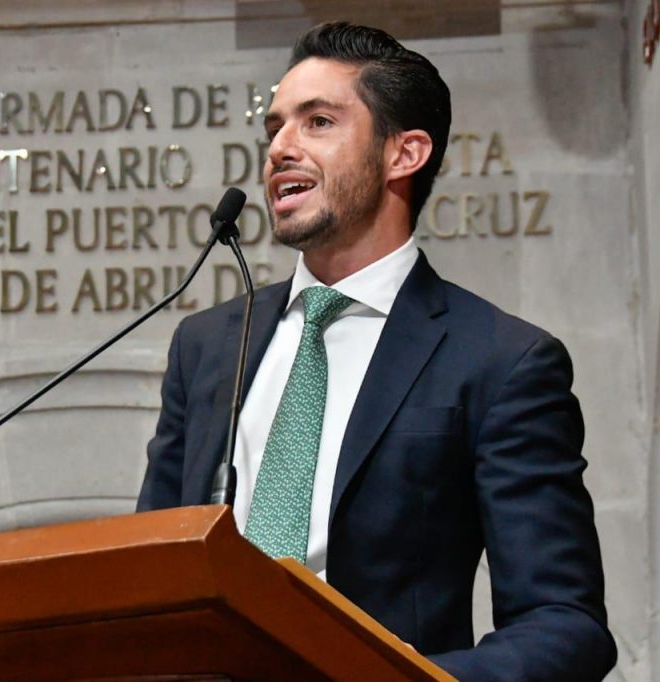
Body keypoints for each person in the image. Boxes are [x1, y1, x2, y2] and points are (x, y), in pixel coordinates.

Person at [136, 22, 616, 681]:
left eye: (318, 122)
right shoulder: (207, 345)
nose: (279, 148)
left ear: (403, 154)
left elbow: (564, 623)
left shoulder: (500, 361)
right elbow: (150, 573)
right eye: (275, 127)